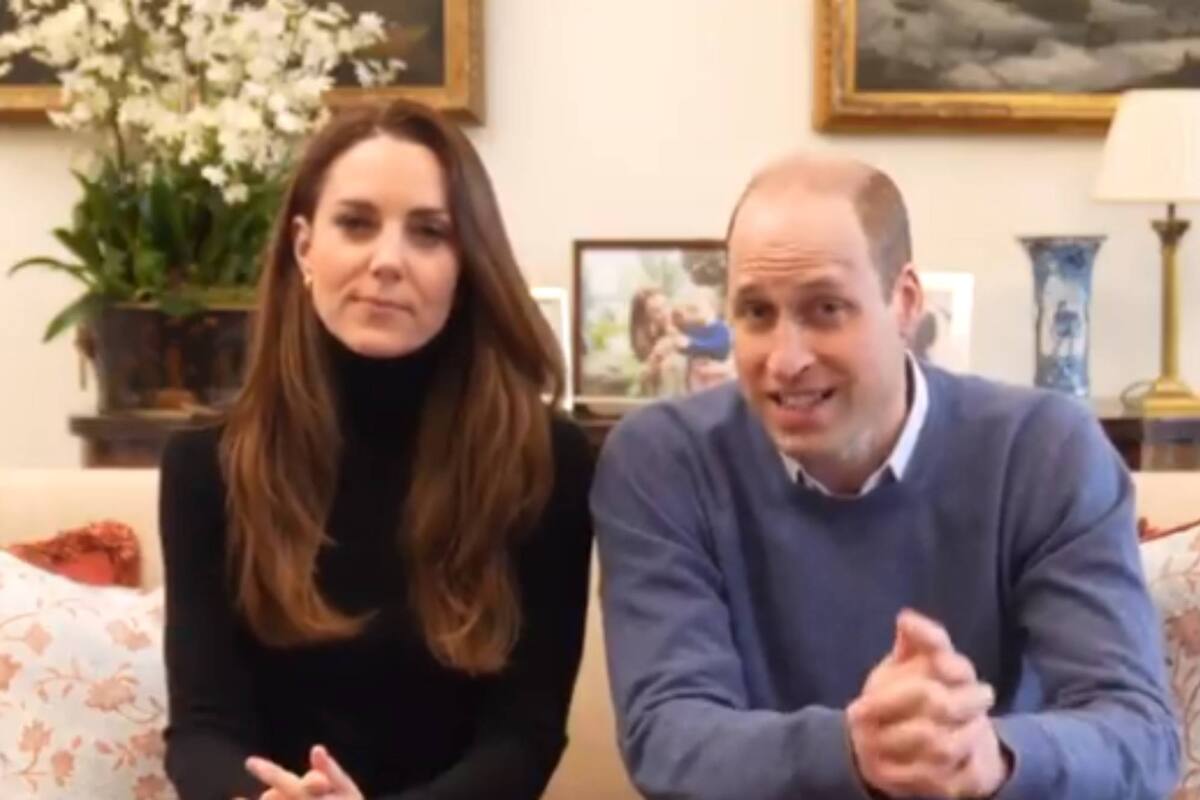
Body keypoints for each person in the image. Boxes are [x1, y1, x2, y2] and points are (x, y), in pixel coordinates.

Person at [591, 152, 1178, 799]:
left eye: (826, 309)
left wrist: (993, 757)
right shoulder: (661, 461)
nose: (786, 360)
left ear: (904, 303)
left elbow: (1139, 736)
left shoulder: (1044, 450)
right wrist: (854, 748)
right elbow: (667, 735)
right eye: (757, 313)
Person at [158, 99, 594, 800]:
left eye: (428, 233)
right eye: (356, 224)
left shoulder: (547, 462)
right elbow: (203, 729)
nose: (387, 261)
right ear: (304, 246)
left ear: (467, 263)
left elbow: (525, 736)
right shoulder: (205, 463)